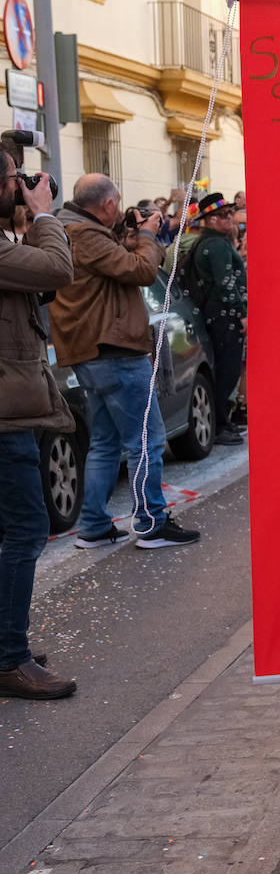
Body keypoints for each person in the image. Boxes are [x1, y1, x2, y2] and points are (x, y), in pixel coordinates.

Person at [49, 175, 200, 550]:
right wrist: (148, 235)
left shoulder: (69, 230)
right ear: (109, 205)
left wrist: (130, 235)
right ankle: (151, 522)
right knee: (147, 440)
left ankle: (94, 525)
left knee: (104, 442)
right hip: (114, 352)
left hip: (91, 354)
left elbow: (113, 267)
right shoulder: (85, 235)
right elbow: (142, 271)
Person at [0, 143, 80, 700]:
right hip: (5, 417)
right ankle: (9, 658)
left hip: (13, 404)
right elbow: (56, 268)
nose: (19, 186)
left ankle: (7, 644)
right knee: (26, 529)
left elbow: (39, 285)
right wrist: (47, 213)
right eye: (12, 179)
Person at [185, 193, 247, 446]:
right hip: (224, 317)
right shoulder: (217, 246)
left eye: (230, 213)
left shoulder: (209, 243)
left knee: (225, 368)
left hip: (216, 314)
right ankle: (221, 424)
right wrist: (241, 315)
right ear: (208, 220)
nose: (229, 218)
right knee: (227, 370)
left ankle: (223, 420)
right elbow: (227, 284)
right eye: (221, 215)